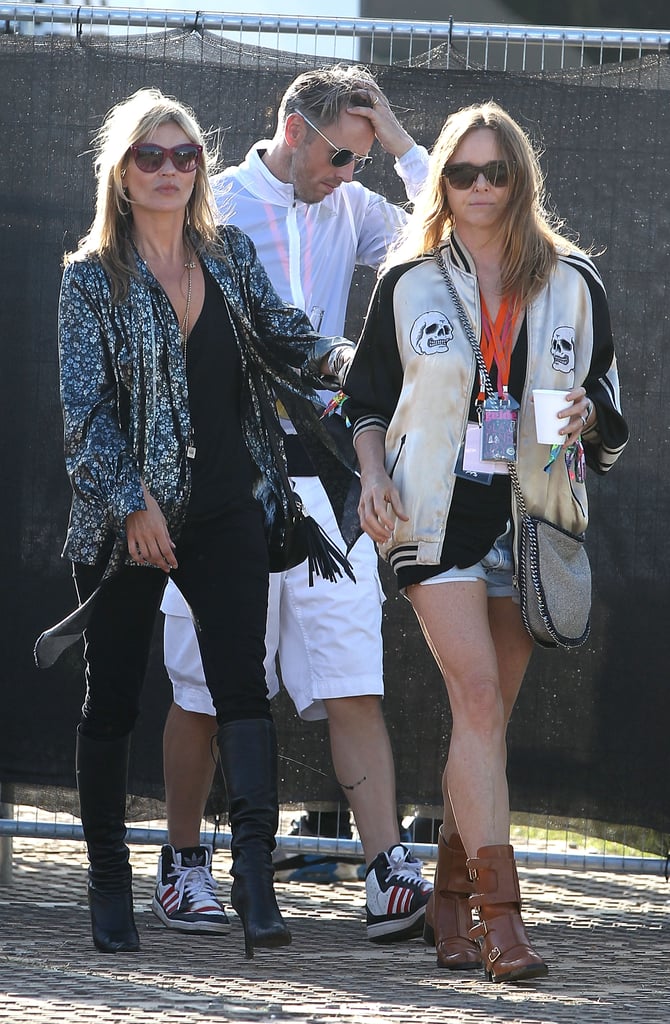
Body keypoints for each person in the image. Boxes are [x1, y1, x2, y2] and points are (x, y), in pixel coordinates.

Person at [41, 87, 360, 958]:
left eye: (186, 156)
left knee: (241, 691)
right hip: (125, 519)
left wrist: (353, 362)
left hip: (228, 503)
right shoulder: (89, 279)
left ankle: (255, 883)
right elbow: (85, 415)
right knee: (110, 702)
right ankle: (111, 883)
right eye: (152, 155)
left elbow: (288, 336)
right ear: (121, 171)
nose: (172, 170)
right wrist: (133, 504)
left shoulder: (226, 253)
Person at [344, 101, 628, 982]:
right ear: (442, 182)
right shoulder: (410, 279)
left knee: (488, 722)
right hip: (433, 516)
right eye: (460, 172)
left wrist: (589, 415)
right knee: (475, 700)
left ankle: (444, 902)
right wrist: (372, 473)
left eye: (493, 172)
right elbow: (365, 399)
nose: (476, 187)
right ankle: (503, 923)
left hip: (533, 519)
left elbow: (613, 419)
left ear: (519, 181)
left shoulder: (575, 280)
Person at [156, 65, 433, 943]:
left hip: (324, 476)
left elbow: (439, 239)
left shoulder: (354, 205)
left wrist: (398, 146)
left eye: (359, 159)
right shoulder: (218, 198)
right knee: (203, 684)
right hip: (223, 479)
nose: (345, 174)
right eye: (339, 156)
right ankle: (182, 864)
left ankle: (388, 871)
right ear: (292, 127)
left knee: (352, 677)